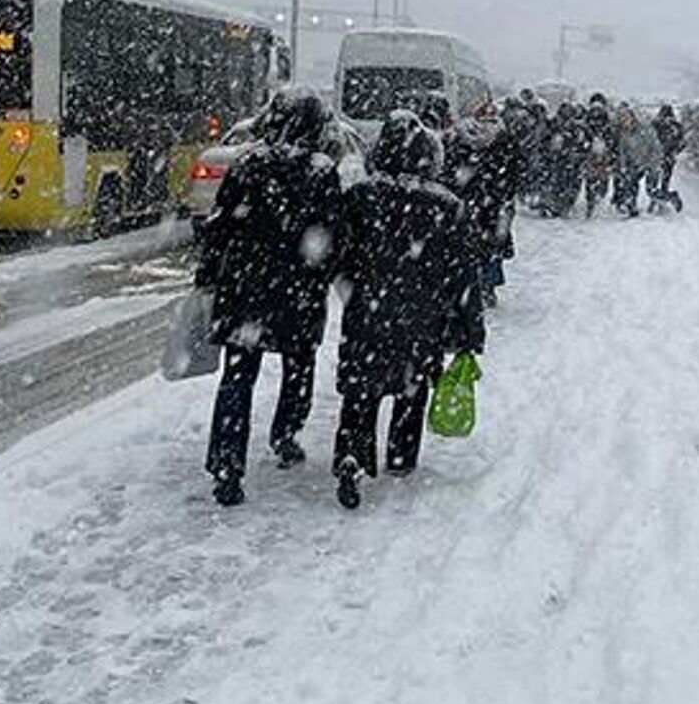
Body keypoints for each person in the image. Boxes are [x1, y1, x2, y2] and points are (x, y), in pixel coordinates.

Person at [196, 90, 344, 507]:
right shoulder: (320, 171)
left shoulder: (247, 164)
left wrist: (208, 275)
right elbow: (331, 236)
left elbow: (220, 225)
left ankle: (227, 462)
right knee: (299, 364)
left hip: (245, 287)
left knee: (238, 375)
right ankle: (286, 432)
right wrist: (321, 272)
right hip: (297, 290)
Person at [332, 113, 485, 510]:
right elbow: (464, 275)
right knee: (409, 388)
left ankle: (352, 455)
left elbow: (338, 253)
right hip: (422, 317)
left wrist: (352, 284)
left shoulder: (361, 196)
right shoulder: (446, 206)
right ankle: (400, 457)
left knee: (360, 392)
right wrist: (471, 331)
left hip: (367, 310)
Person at [447, 101, 522, 306]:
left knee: (470, 243)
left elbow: (452, 170)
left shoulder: (463, 138)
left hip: (471, 200)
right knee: (492, 245)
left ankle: (475, 283)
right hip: (495, 202)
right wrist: (505, 193)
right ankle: (487, 284)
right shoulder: (505, 139)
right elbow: (516, 170)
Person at [611, 103, 663, 218]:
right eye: (621, 120)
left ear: (631, 118)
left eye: (625, 119)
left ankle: (670, 197)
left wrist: (653, 164)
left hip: (651, 163)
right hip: (636, 164)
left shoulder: (646, 129)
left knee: (651, 190)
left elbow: (656, 148)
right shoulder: (624, 135)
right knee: (630, 184)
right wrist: (623, 166)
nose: (623, 122)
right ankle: (632, 209)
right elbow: (622, 152)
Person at [542, 101, 588, 217]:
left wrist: (578, 153)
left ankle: (565, 205)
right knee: (556, 183)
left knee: (571, 184)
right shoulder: (554, 123)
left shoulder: (577, 126)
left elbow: (583, 143)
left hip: (571, 161)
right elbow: (545, 139)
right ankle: (555, 205)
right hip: (556, 160)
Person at [581, 93, 615, 218]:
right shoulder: (604, 117)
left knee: (592, 179)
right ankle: (593, 200)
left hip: (595, 151)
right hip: (598, 152)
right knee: (598, 178)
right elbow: (610, 134)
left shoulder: (590, 117)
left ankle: (592, 202)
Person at [651, 103, 686, 212]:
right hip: (669, 158)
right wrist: (675, 152)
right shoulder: (677, 126)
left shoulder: (655, 124)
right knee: (665, 182)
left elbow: (650, 140)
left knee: (654, 183)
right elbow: (683, 143)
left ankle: (656, 201)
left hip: (657, 158)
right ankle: (664, 200)